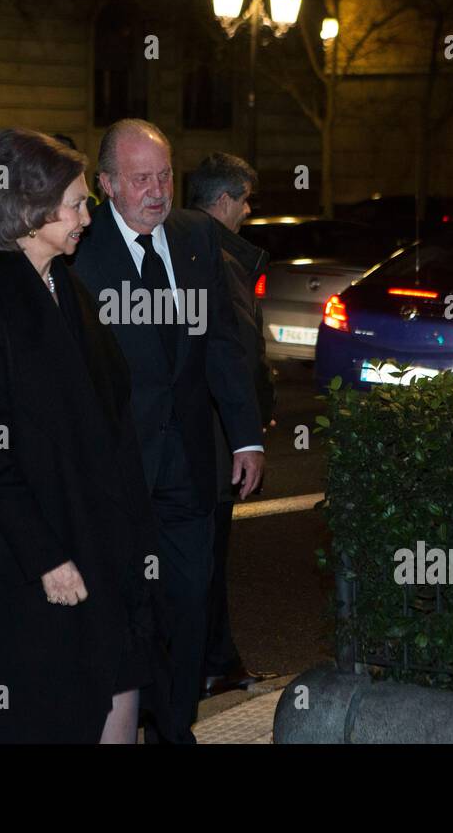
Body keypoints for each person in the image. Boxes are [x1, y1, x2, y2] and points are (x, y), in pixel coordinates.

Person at [0, 128, 170, 744]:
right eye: (78, 203)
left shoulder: (66, 287)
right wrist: (47, 557)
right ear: (32, 212)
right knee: (12, 707)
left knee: (115, 688)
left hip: (91, 537)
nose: (89, 215)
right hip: (18, 560)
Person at [70, 118, 264, 742]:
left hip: (187, 467)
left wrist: (247, 435)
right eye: (139, 179)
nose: (156, 191)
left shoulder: (197, 237)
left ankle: (176, 727)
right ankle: (121, 722)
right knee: (127, 611)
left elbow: (225, 346)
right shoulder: (77, 247)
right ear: (105, 185)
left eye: (163, 176)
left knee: (187, 604)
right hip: (116, 473)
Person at [186, 152, 274, 699]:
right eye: (244, 201)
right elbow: (238, 349)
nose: (247, 211)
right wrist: (251, 425)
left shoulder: (181, 248)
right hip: (217, 440)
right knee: (207, 557)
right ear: (224, 201)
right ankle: (210, 664)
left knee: (201, 557)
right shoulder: (221, 258)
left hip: (203, 434)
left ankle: (213, 660)